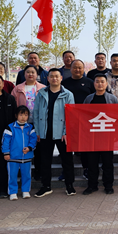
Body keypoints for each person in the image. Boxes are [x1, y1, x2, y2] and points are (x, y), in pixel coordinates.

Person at [32, 68, 76, 197]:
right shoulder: (41, 93)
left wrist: (66, 132)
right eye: (51, 76)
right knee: (45, 161)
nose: (54, 78)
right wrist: (38, 131)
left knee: (67, 160)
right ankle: (46, 186)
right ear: (48, 78)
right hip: (45, 132)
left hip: (62, 133)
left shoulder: (68, 94)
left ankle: (69, 185)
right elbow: (36, 113)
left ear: (61, 78)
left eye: (57, 76)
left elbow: (71, 115)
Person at [82, 75, 118, 195]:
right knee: (92, 162)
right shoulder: (89, 99)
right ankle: (92, 185)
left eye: (102, 81)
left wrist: (116, 134)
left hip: (107, 135)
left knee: (107, 162)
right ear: (94, 84)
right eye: (97, 81)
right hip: (92, 135)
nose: (99, 84)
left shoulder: (112, 99)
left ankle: (108, 185)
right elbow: (83, 116)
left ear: (106, 84)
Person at [11, 65, 46, 181]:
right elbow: (13, 105)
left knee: (39, 148)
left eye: (33, 72)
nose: (30, 74)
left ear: (37, 75)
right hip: (23, 123)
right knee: (22, 146)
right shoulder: (17, 89)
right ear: (24, 74)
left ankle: (39, 171)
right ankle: (22, 172)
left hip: (38, 123)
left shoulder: (43, 88)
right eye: (28, 72)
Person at [2, 106, 38, 201]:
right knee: (12, 175)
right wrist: (6, 153)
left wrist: (29, 148)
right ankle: (12, 192)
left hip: (27, 156)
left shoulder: (30, 127)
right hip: (13, 157)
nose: (23, 117)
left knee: (26, 175)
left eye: (26, 115)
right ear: (16, 115)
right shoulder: (10, 127)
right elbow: (5, 141)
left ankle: (25, 191)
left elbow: (33, 139)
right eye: (21, 114)